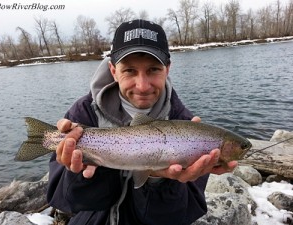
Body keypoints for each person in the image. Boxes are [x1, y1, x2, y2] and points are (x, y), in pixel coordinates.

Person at [47, 19, 237, 225]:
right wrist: (80, 176)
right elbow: (64, 201)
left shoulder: (190, 128)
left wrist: (159, 180)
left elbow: (180, 216)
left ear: (168, 69)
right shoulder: (83, 113)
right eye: (129, 71)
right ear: (113, 70)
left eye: (153, 69)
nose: (142, 86)